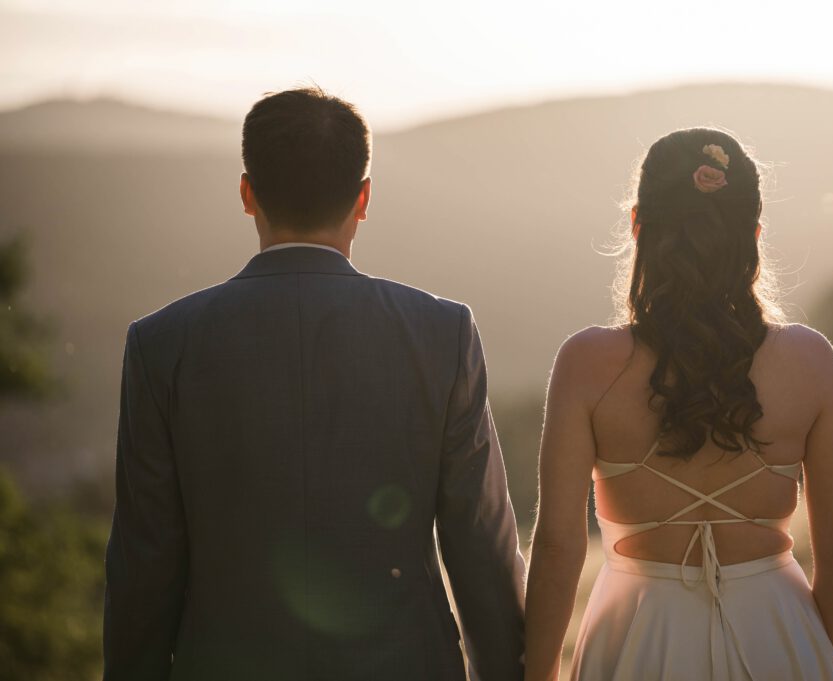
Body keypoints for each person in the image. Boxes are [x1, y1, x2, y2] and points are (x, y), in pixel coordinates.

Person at [103, 86, 526, 681]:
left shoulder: (161, 344)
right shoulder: (442, 333)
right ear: (364, 198)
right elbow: (480, 544)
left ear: (247, 194)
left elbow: (144, 565)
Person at [524, 128, 833, 680]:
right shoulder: (811, 361)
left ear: (637, 225)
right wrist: (807, 653)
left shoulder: (585, 365)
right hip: (779, 632)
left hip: (635, 635)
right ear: (754, 234)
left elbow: (558, 549)